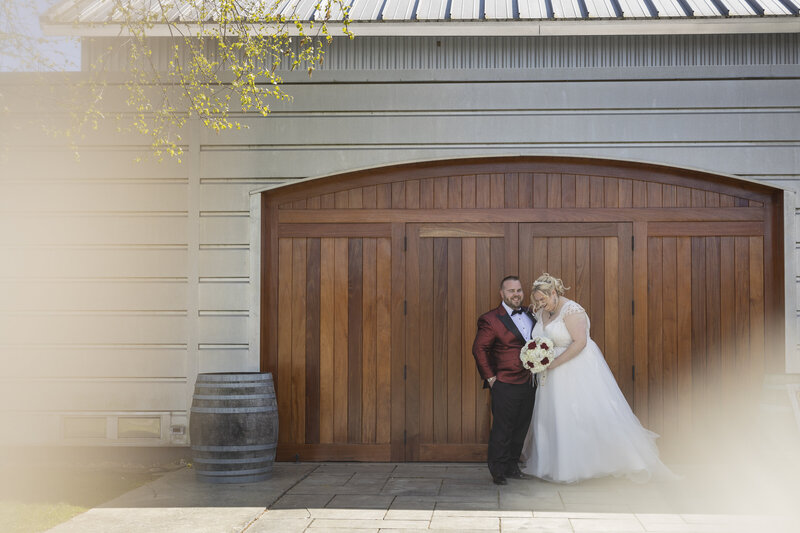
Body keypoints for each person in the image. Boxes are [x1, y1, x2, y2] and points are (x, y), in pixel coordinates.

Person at [520, 273, 677, 483]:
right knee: (555, 416)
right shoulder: (542, 312)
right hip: (550, 376)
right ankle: (556, 465)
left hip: (574, 370)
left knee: (580, 414)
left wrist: (553, 364)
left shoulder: (573, 310)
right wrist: (537, 358)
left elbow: (580, 342)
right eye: (537, 301)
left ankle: (607, 462)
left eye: (543, 299)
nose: (540, 304)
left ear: (554, 293)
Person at [472, 275, 537, 485]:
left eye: (519, 290)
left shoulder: (531, 313)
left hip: (530, 381)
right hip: (505, 382)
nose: (516, 294)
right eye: (511, 291)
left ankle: (512, 466)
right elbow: (479, 349)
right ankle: (498, 470)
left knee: (521, 427)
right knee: (503, 427)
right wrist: (491, 378)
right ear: (502, 294)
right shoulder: (490, 319)